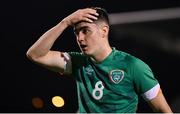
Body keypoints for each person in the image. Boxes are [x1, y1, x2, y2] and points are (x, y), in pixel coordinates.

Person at [26, 7, 172, 113]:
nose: (80, 38)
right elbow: (35, 55)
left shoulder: (132, 65)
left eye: (85, 31)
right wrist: (65, 22)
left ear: (104, 31)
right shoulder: (77, 62)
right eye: (77, 33)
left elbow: (162, 110)